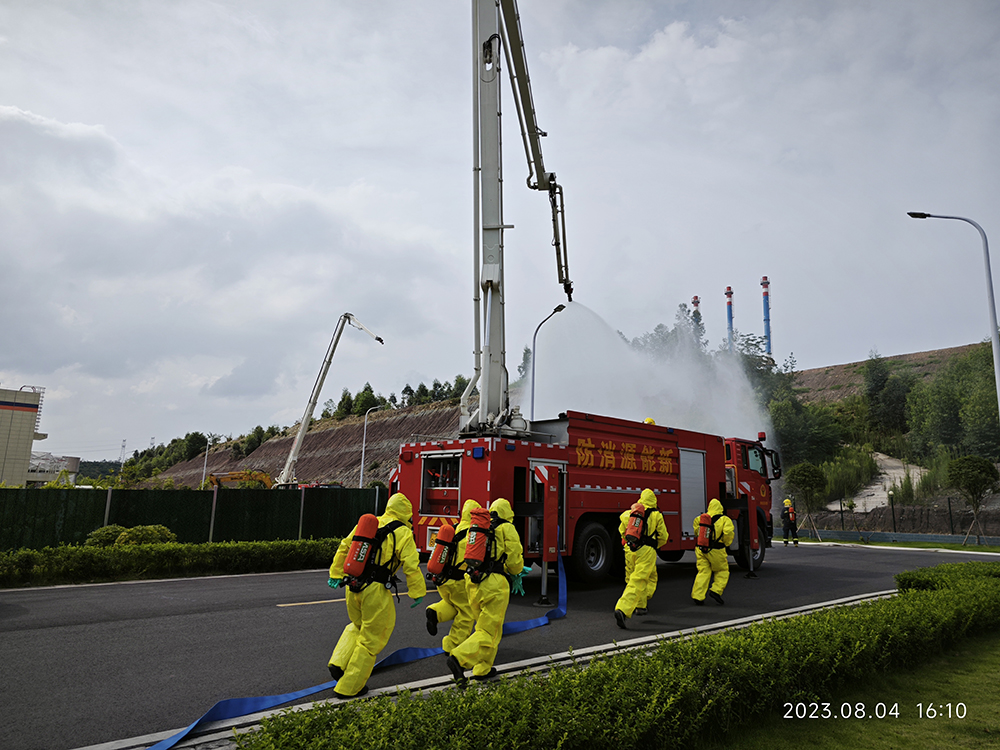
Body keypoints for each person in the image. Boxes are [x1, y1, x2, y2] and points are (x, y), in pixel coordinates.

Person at [326, 492, 426, 698]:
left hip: (352, 585)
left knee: (357, 625)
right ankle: (349, 687)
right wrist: (417, 592)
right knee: (372, 638)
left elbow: (345, 546)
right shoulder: (403, 532)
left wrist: (336, 574)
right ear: (407, 513)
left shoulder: (371, 523)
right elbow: (411, 564)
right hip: (375, 589)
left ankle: (338, 662)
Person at [446, 497, 524, 683]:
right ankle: (459, 658)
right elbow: (514, 561)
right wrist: (518, 572)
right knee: (489, 632)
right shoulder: (507, 528)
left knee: (484, 628)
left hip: (472, 582)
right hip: (494, 585)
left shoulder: (483, 527)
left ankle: (482, 668)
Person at [426, 498, 480, 653]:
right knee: (466, 613)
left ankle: (435, 612)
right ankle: (452, 645)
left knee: (451, 603)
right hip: (459, 581)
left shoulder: (453, 529)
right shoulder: (473, 535)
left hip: (443, 580)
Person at [614, 488, 668, 629]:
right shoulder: (656, 515)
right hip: (646, 550)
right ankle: (623, 609)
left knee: (631, 578)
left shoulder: (629, 514)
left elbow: (621, 531)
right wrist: (655, 545)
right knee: (640, 579)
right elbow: (663, 536)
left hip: (630, 550)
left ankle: (640, 606)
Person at [691, 498, 735, 605]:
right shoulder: (724, 519)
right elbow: (728, 532)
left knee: (703, 572)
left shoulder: (699, 519)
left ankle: (698, 596)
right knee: (722, 571)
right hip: (716, 549)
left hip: (701, 549)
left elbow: (697, 532)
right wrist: (726, 543)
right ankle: (716, 590)